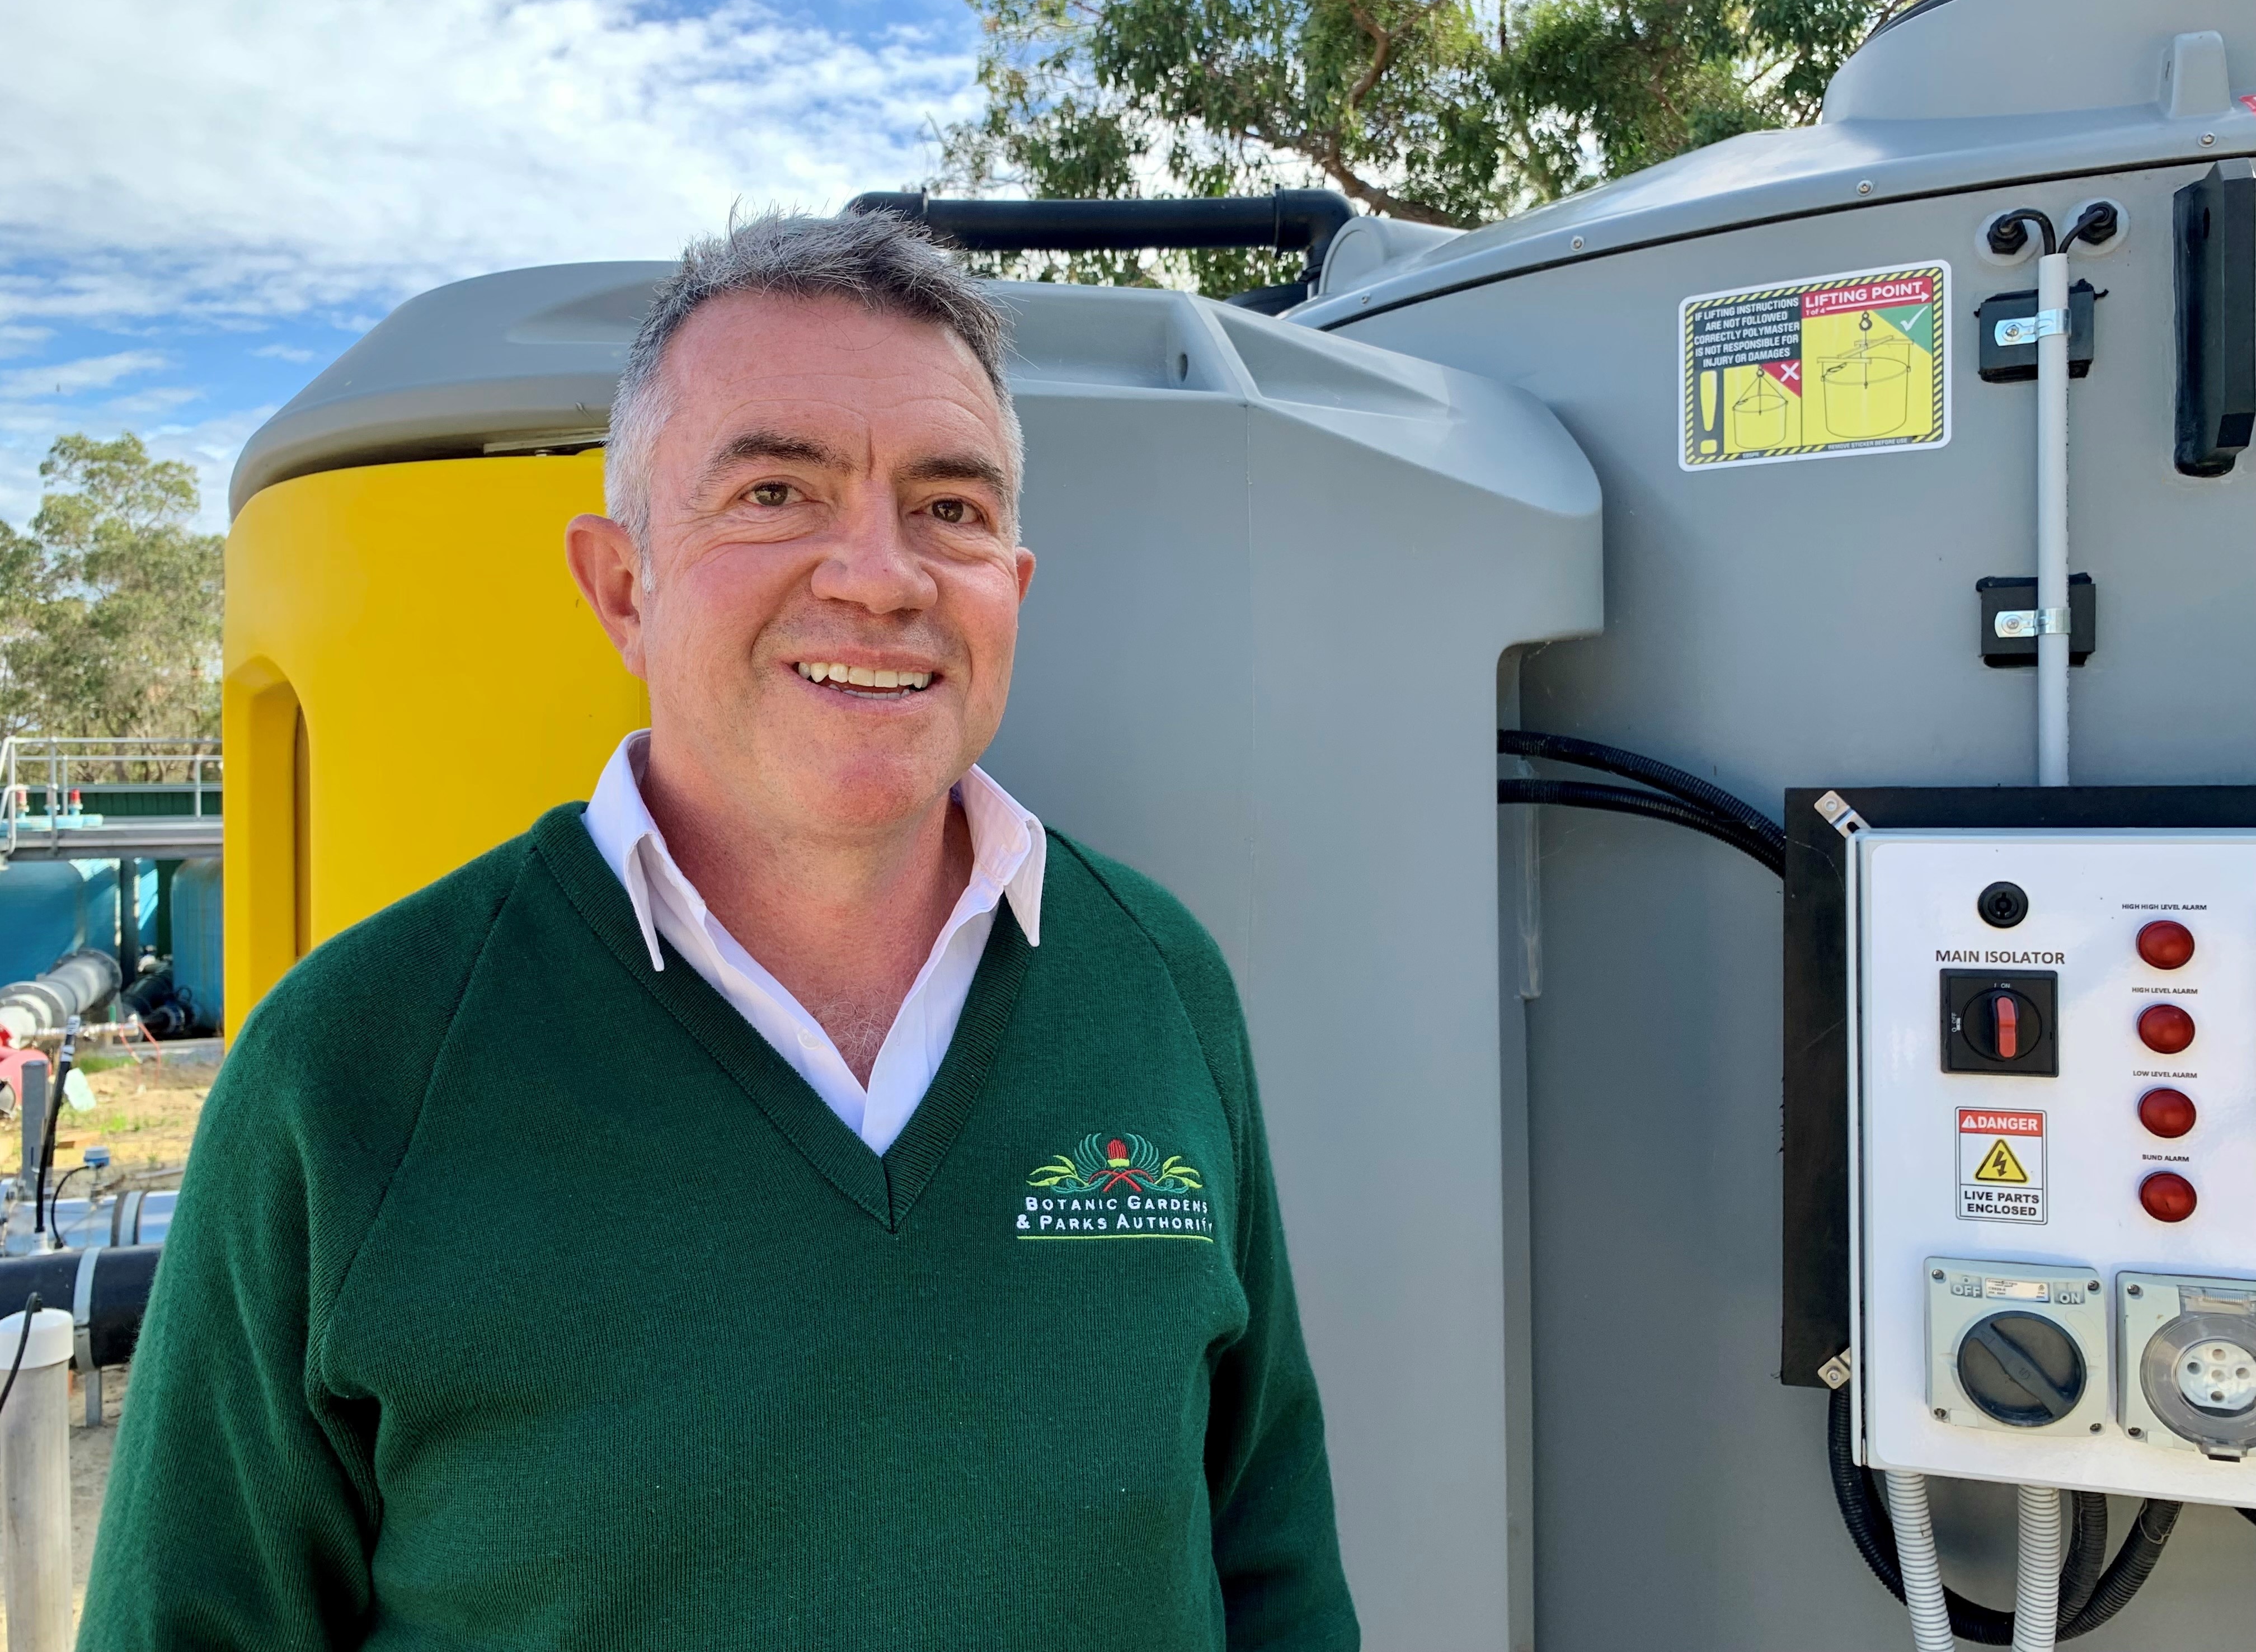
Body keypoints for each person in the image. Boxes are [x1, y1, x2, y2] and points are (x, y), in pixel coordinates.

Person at [82, 211, 1358, 1651]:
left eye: (950, 507)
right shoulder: (354, 1066)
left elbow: (1275, 1567)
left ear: (1012, 585)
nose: (881, 576)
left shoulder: (1158, 982)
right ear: (622, 587)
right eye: (775, 493)